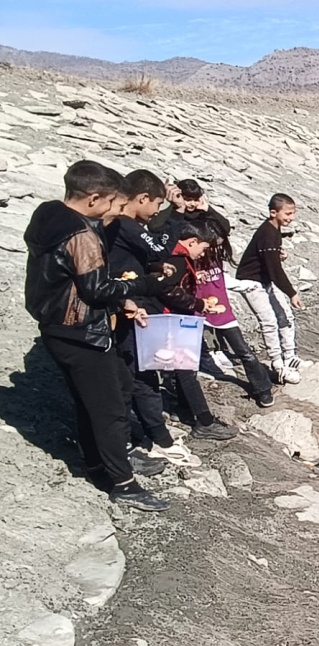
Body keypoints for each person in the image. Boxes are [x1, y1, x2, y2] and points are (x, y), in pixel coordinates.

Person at [23, 160, 172, 512]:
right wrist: (144, 285)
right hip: (81, 330)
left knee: (110, 390)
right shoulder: (82, 235)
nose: (114, 211)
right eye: (111, 203)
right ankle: (122, 482)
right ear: (93, 199)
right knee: (107, 408)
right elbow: (95, 289)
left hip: (58, 326)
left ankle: (102, 461)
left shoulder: (49, 215)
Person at [105, 170, 200, 466]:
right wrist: (176, 215)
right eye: (156, 205)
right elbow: (157, 245)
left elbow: (146, 253)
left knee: (143, 372)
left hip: (133, 299)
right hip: (131, 304)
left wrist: (156, 264)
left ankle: (153, 432)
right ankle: (159, 440)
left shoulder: (126, 225)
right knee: (142, 373)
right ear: (143, 198)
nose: (156, 212)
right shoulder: (125, 223)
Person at [156, 220, 241, 441]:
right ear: (193, 242)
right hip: (175, 319)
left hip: (173, 318)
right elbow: (168, 290)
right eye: (203, 249)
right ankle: (204, 422)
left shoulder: (173, 254)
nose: (203, 254)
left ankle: (184, 410)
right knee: (187, 371)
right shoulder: (179, 261)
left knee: (181, 371)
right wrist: (199, 304)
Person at [193, 209, 276, 407]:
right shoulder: (193, 254)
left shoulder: (214, 255)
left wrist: (244, 285)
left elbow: (222, 278)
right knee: (194, 347)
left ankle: (262, 388)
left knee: (243, 350)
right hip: (195, 307)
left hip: (220, 307)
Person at [235, 193, 306, 384]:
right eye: (288, 214)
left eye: (293, 213)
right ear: (273, 212)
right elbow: (274, 269)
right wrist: (291, 293)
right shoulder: (267, 234)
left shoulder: (275, 230)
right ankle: (278, 365)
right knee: (269, 322)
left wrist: (277, 256)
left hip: (265, 280)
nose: (291, 218)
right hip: (252, 282)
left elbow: (271, 261)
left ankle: (290, 356)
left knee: (285, 316)